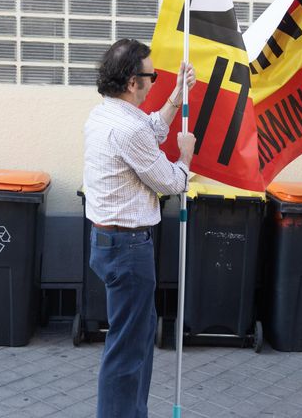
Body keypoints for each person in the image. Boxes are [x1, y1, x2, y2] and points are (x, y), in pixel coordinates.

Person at [83, 38, 196, 417]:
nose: (153, 82)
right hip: (128, 249)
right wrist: (186, 154)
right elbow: (172, 182)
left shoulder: (104, 115)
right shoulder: (127, 130)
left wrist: (176, 96)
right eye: (152, 76)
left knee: (136, 338)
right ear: (133, 82)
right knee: (127, 350)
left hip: (110, 243)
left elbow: (150, 130)